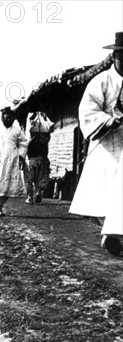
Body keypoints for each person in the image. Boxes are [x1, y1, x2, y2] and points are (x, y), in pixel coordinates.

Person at [70, 32, 123, 255]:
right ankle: (109, 232)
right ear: (114, 57)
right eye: (122, 56)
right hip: (108, 144)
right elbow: (87, 111)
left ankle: (112, 234)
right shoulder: (101, 81)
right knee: (105, 194)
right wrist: (109, 120)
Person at [23, 111, 54, 204]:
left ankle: (29, 197)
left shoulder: (30, 138)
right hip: (42, 159)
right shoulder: (45, 138)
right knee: (40, 179)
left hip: (30, 160)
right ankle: (38, 192)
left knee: (28, 180)